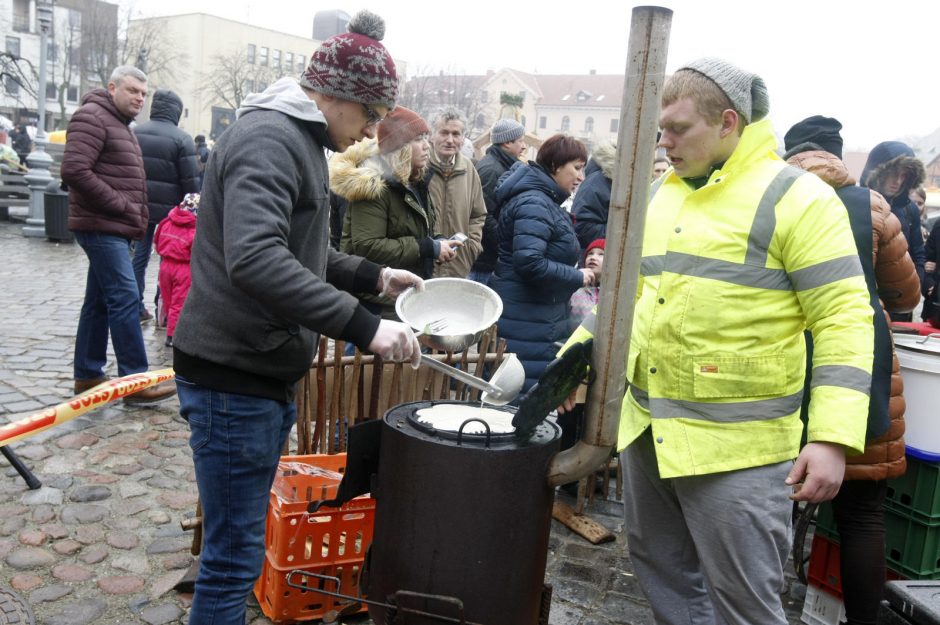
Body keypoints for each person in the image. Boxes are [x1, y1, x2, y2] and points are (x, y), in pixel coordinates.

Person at [559, 58, 873, 625]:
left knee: (745, 602)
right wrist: (568, 366)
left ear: (728, 122)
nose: (664, 141)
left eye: (679, 129)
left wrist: (831, 438)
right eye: (661, 128)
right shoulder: (659, 195)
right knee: (665, 578)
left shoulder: (797, 199)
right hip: (649, 428)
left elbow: (844, 319)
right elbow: (625, 301)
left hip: (740, 451)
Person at [170, 11, 423, 624]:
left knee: (238, 547)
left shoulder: (300, 140)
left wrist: (374, 277)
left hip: (256, 369)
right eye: (369, 114)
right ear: (337, 97)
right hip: (234, 375)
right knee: (233, 559)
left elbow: (301, 248)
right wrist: (367, 326)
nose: (370, 130)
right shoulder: (271, 138)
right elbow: (256, 260)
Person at [784, 115, 920, 625]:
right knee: (863, 514)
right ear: (841, 156)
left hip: (783, 361)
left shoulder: (772, 199)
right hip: (863, 367)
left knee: (764, 505)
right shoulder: (873, 208)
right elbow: (906, 294)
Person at [61, 65, 176, 405]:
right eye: (132, 91)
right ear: (112, 88)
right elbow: (74, 170)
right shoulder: (93, 117)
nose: (139, 98)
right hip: (101, 224)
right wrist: (121, 205)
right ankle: (135, 383)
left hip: (109, 224)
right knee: (126, 297)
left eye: (143, 93)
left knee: (97, 301)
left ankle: (88, 374)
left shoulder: (118, 123)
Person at [331, 106, 461, 317]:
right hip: (377, 303)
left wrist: (439, 243)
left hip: (405, 298)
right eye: (418, 139)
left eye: (426, 138)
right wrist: (427, 247)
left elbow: (416, 231)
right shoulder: (374, 187)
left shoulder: (414, 181)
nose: (427, 146)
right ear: (399, 147)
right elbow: (367, 246)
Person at [490, 133, 590, 391]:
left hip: (536, 317)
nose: (581, 177)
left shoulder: (544, 201)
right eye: (577, 168)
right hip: (526, 320)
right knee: (518, 401)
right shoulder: (535, 202)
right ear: (556, 166)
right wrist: (579, 277)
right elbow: (530, 262)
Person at [133, 89, 200, 323]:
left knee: (139, 257)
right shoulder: (182, 139)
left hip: (139, 207)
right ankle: (164, 307)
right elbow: (191, 183)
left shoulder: (135, 133)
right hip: (169, 214)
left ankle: (135, 305)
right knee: (168, 259)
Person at [860, 141, 926, 320]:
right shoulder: (859, 203)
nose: (898, 181)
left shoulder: (909, 209)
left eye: (904, 175)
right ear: (878, 171)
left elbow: (918, 251)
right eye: (892, 173)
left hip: (900, 301)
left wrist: (914, 284)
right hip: (864, 298)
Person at [426, 107, 487, 278]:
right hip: (422, 266)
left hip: (459, 264)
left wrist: (472, 247)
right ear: (432, 135)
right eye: (444, 133)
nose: (450, 140)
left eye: (456, 134)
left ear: (463, 138)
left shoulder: (469, 169)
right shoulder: (418, 167)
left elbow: (478, 214)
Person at [472, 118, 527, 285]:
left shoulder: (502, 165)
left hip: (489, 258)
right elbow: (484, 216)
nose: (524, 146)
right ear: (507, 144)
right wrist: (504, 247)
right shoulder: (491, 170)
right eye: (520, 141)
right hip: (484, 262)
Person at [153, 192, 200, 347]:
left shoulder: (166, 222)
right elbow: (197, 251)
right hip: (183, 269)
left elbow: (157, 241)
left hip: (165, 267)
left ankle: (169, 326)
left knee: (168, 300)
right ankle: (173, 336)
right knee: (179, 303)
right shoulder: (195, 229)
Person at [571, 141, 617, 252]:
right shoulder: (598, 181)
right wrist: (620, 233)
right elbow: (582, 227)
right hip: (598, 259)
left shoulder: (610, 179)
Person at [568, 238, 604, 333]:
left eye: (601, 254)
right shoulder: (575, 288)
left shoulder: (614, 293)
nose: (593, 257)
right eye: (590, 253)